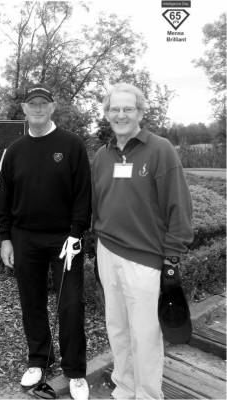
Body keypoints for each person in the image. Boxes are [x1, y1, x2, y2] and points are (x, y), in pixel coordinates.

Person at [91, 83, 193, 399]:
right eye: (115, 109)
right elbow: (98, 204)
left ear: (140, 112)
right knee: (117, 328)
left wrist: (172, 258)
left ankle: (148, 394)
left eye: (128, 109)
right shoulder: (102, 155)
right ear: (106, 114)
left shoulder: (160, 150)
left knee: (146, 334)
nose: (121, 115)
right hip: (107, 252)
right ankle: (124, 386)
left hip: (145, 259)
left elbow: (179, 207)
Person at [0, 84, 91, 400]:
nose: (37, 108)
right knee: (32, 302)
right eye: (32, 104)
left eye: (43, 104)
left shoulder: (71, 144)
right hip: (25, 238)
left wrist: (76, 234)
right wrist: (5, 238)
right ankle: (39, 359)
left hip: (64, 239)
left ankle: (75, 371)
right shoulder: (15, 151)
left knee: (71, 305)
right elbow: (4, 199)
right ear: (24, 109)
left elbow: (83, 195)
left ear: (52, 108)